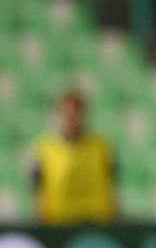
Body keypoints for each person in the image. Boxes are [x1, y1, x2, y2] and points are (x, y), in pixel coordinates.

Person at [26, 90, 118, 225]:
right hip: (59, 226)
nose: (72, 117)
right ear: (59, 114)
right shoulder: (43, 150)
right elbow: (38, 192)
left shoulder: (101, 147)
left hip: (97, 225)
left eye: (76, 111)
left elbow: (112, 187)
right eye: (67, 112)